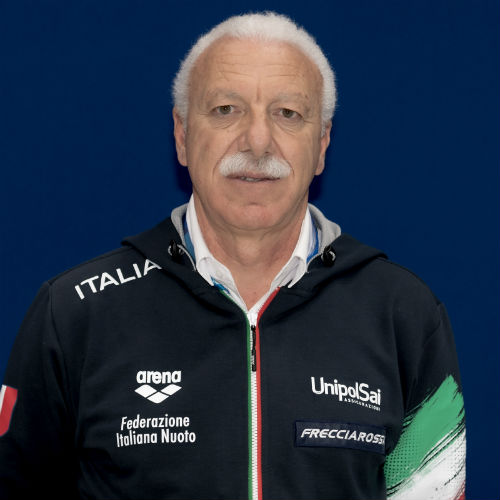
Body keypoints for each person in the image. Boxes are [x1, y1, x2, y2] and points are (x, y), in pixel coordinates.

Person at [0, 12, 465, 500]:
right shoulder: (75, 313)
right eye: (226, 109)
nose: (258, 141)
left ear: (322, 143)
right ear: (182, 134)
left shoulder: (404, 316)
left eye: (288, 113)